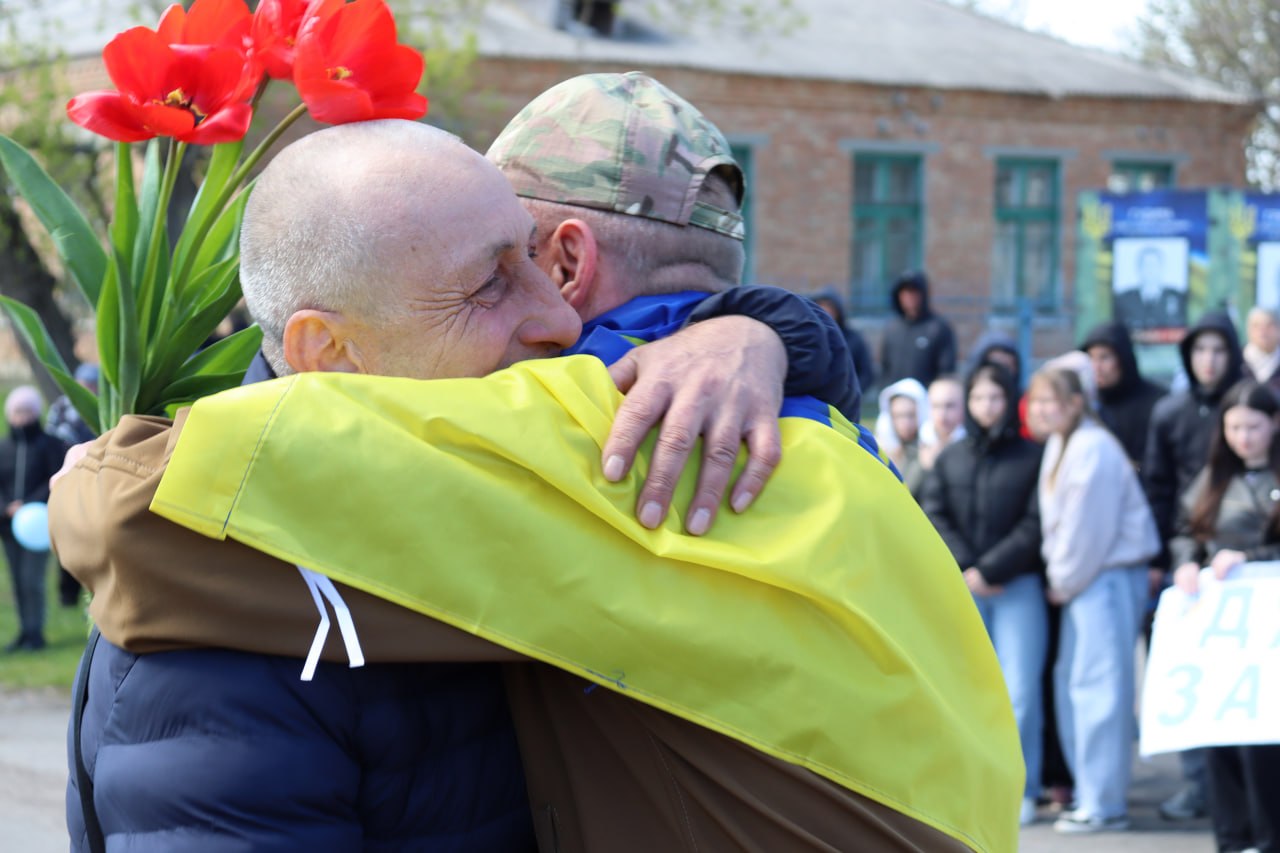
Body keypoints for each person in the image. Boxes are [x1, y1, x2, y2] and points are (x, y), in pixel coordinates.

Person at [56, 79, 1017, 851]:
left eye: (535, 262)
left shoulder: (583, 457)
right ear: (327, 350)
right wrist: (766, 331)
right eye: (489, 282)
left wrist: (760, 332)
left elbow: (122, 510)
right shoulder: (226, 591)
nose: (559, 320)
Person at [1027, 366, 1160, 834]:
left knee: (1100, 687)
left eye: (1053, 401)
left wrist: (1062, 579)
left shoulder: (1093, 448)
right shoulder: (1065, 444)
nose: (1044, 410)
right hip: (1085, 579)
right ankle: (1092, 793)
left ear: (1076, 403)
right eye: (1039, 401)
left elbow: (1087, 531)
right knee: (1078, 683)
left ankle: (1104, 802)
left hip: (1102, 577)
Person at [920, 361, 1044, 826]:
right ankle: (970, 785)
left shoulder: (1032, 456)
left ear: (1010, 401)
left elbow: (1035, 523)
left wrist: (993, 567)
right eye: (978, 398)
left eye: (995, 397)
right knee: (965, 690)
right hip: (965, 587)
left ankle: (1022, 789)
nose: (986, 407)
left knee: (1020, 692)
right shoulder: (951, 458)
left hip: (1017, 586)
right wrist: (969, 566)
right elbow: (933, 512)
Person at [1169, 380, 1280, 853]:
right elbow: (1185, 531)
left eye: (1253, 426)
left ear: (1273, 423)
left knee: (1264, 744)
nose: (1243, 437)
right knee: (1220, 737)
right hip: (1223, 639)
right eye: (1234, 426)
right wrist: (1187, 561)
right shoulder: (1212, 478)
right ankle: (1231, 839)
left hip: (1267, 633)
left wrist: (1249, 556)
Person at [1143, 310, 1244, 820]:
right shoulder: (1170, 412)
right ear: (1188, 356)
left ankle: (1245, 790)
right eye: (1200, 350)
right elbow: (1158, 489)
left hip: (1243, 563)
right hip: (1187, 560)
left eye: (1219, 350)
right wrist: (1162, 558)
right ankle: (1198, 783)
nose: (1210, 361)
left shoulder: (1250, 405)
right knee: (1191, 669)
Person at [0, 386, 65, 652]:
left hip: (37, 523)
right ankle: (23, 632)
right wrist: (7, 507)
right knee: (16, 580)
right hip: (7, 524)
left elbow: (54, 480)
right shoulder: (3, 447)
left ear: (36, 413)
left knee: (32, 579)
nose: (21, 417)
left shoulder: (50, 444)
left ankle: (35, 631)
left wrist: (26, 505)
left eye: (26, 411)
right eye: (17, 411)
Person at [1080, 321, 1166, 470]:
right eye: (1091, 358)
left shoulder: (1158, 403)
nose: (1096, 367)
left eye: (1104, 357)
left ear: (1123, 358)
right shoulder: (1084, 405)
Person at [46, 363, 98, 607]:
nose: (86, 388)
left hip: (94, 480)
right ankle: (68, 594)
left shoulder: (103, 408)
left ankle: (94, 588)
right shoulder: (61, 408)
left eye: (91, 384)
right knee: (67, 536)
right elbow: (51, 437)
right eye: (83, 384)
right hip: (65, 476)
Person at [878, 270, 957, 387]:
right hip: (897, 399)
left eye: (913, 291)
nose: (909, 296)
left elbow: (945, 371)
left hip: (926, 400)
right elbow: (885, 367)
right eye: (904, 292)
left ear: (923, 294)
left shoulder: (938, 328)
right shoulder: (892, 328)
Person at [812, 285, 875, 403]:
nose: (825, 311)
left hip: (845, 402)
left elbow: (866, 373)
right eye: (821, 306)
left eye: (829, 306)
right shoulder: (808, 338)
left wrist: (852, 394)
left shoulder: (854, 339)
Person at [1113, 244, 1188, 331]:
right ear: (1139, 268)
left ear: (1161, 268)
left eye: (1154, 265)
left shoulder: (1177, 297)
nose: (1150, 270)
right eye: (1147, 265)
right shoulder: (1124, 299)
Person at [875, 377, 928, 495]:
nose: (905, 423)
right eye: (898, 416)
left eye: (910, 415)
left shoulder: (930, 447)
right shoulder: (881, 448)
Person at [919, 374, 966, 471]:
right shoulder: (914, 442)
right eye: (935, 406)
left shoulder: (975, 446)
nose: (942, 414)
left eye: (950, 405)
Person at [1243, 306, 1280, 397]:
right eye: (1256, 326)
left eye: (1269, 325)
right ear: (1248, 330)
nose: (1263, 331)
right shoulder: (1237, 361)